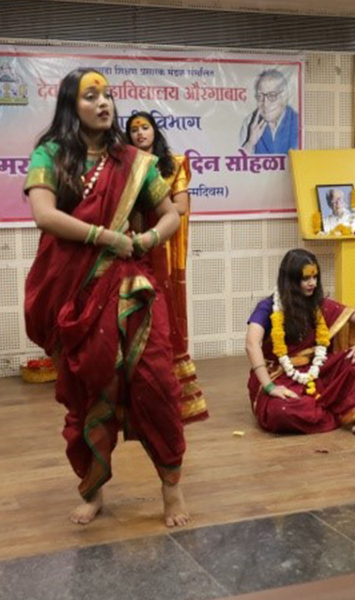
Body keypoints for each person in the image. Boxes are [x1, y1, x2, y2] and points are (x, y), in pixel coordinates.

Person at [23, 68, 190, 527]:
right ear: (70, 105)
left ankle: (171, 489)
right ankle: (93, 489)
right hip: (73, 290)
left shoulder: (134, 160)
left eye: (108, 95)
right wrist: (105, 237)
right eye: (90, 95)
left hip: (131, 287)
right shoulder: (50, 154)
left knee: (156, 384)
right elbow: (44, 215)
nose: (103, 103)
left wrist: (148, 239)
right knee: (88, 389)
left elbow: (170, 214)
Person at [245, 249, 355, 441]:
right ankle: (340, 406)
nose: (312, 283)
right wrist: (269, 387)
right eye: (306, 278)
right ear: (290, 280)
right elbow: (251, 343)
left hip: (318, 371)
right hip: (280, 376)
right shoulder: (268, 307)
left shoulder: (318, 305)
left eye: (315, 277)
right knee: (281, 411)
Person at [126, 111, 208, 424]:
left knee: (166, 314)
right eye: (134, 129)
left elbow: (181, 206)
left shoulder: (173, 164)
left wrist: (153, 207)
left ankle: (172, 395)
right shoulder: (125, 166)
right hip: (132, 249)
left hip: (165, 251)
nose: (140, 133)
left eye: (145, 127)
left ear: (155, 131)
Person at [239, 69, 299, 154]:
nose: (265, 104)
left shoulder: (298, 122)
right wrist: (250, 143)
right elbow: (239, 160)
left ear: (284, 97)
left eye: (272, 95)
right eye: (260, 96)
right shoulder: (249, 122)